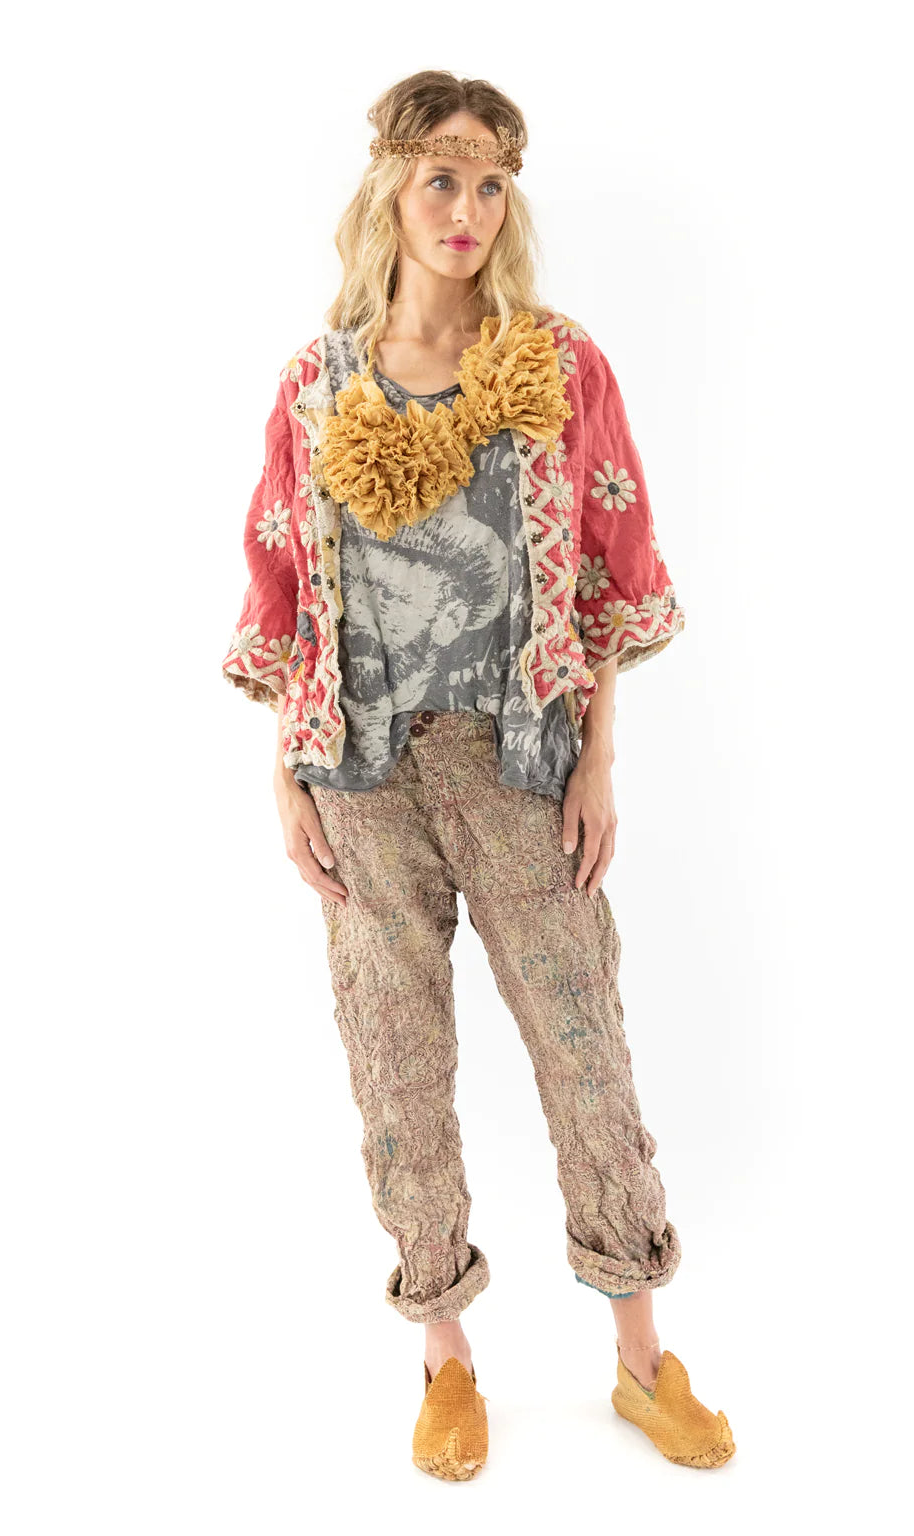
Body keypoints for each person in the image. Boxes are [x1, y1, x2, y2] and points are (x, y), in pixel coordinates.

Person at [221, 69, 734, 1479]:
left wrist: (597, 758)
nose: (466, 208)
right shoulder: (319, 385)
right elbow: (285, 581)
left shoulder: (556, 366)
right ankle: (444, 1360)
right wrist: (287, 774)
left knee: (585, 1049)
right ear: (390, 191)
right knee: (396, 1066)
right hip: (361, 771)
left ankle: (644, 1360)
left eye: (490, 183)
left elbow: (611, 567)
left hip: (519, 762)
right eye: (440, 179)